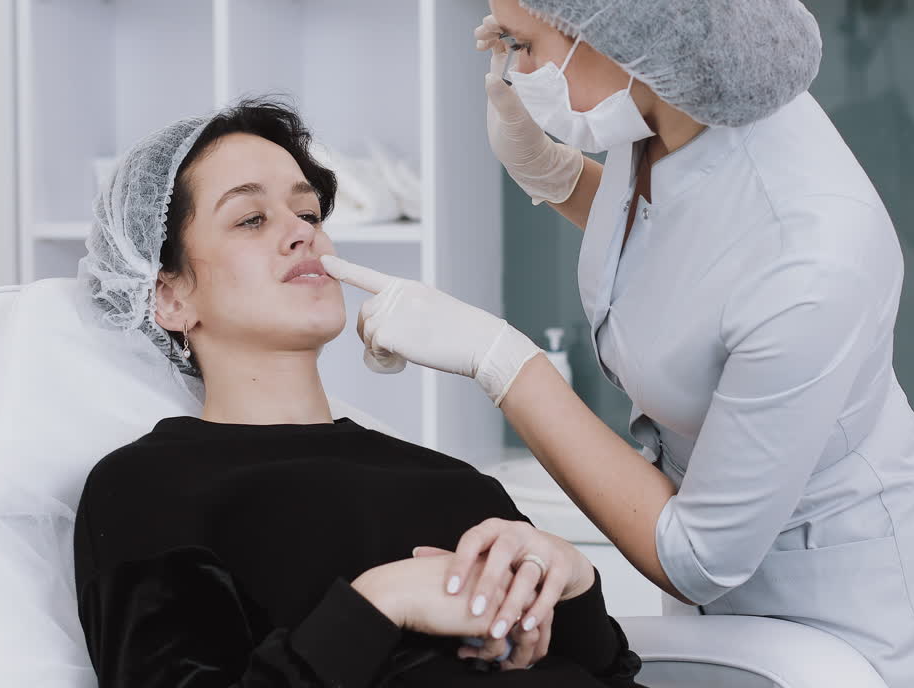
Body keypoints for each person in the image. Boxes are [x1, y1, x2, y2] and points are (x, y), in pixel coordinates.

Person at [318, 0, 914, 686]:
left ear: (617, 34)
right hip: (735, 610)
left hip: (856, 609)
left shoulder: (812, 258)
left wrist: (503, 362)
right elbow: (683, 248)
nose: (513, 71)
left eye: (522, 44)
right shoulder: (670, 107)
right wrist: (551, 172)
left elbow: (697, 557)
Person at [72, 98, 646, 686]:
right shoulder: (149, 488)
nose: (302, 232)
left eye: (310, 213)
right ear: (168, 297)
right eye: (251, 219)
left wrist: (575, 584)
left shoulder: (454, 483)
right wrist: (378, 602)